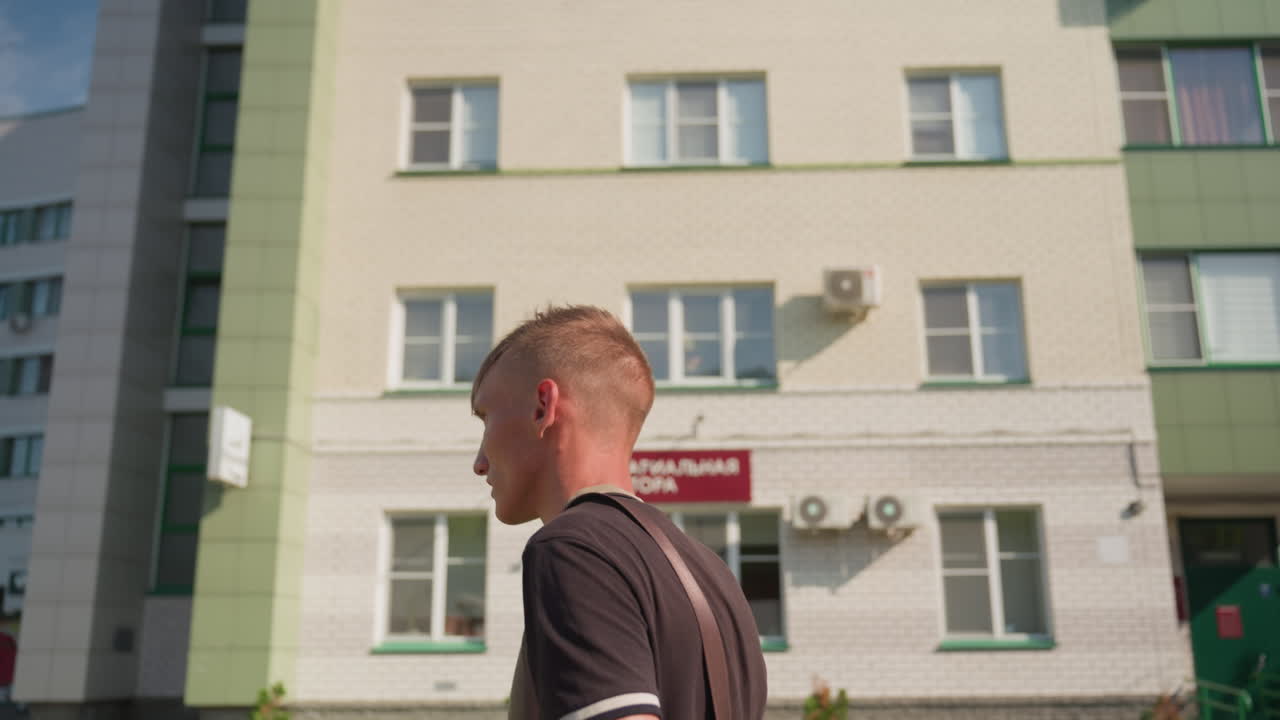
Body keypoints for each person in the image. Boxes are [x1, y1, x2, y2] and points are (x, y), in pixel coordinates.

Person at [470, 306, 768, 720]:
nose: (479, 462)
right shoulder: (713, 572)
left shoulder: (574, 549)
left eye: (486, 419)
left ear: (543, 407)